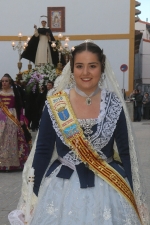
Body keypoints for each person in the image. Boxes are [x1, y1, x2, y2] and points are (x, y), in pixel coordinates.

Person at [8, 41, 149, 224]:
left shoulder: (113, 103)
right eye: (79, 66)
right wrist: (32, 197)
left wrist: (137, 198)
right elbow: (43, 152)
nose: (85, 72)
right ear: (72, 69)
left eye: (92, 66)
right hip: (62, 186)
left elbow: (126, 153)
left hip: (109, 187)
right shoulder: (57, 103)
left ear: (102, 68)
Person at [0, 74, 31, 171]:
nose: (4, 83)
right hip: (1, 118)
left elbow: (20, 107)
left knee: (12, 138)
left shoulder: (15, 93)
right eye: (2, 81)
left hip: (12, 117)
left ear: (10, 82)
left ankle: (13, 164)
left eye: (6, 81)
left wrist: (21, 118)